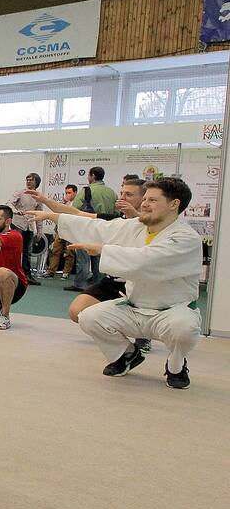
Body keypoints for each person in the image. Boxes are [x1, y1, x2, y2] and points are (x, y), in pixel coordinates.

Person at [35, 178, 201, 389]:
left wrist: (102, 250)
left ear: (174, 204)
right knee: (89, 316)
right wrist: (54, 216)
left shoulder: (186, 238)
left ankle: (176, 365)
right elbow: (100, 227)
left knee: (183, 329)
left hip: (171, 313)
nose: (144, 204)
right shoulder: (136, 227)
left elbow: (147, 260)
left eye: (152, 200)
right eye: (145, 199)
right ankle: (127, 355)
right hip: (134, 308)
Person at [25, 176, 151, 351]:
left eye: (128, 195)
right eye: (121, 193)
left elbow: (146, 232)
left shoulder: (154, 226)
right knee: (78, 312)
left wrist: (136, 216)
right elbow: (77, 214)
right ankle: (124, 337)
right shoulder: (116, 221)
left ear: (143, 200)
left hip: (140, 285)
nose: (122, 198)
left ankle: (142, 332)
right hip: (113, 281)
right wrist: (45, 202)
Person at [68, 166, 118, 291]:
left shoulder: (86, 191)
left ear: (93, 176)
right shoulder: (112, 192)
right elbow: (116, 211)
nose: (87, 177)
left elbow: (74, 209)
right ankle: (98, 282)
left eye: (89, 175)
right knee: (99, 256)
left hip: (87, 228)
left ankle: (79, 283)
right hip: (105, 228)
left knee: (83, 257)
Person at [6, 172, 46, 285]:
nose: (28, 182)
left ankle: (26, 275)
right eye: (27, 179)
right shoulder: (19, 192)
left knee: (27, 252)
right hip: (17, 224)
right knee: (15, 250)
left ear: (36, 182)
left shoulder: (38, 197)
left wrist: (39, 231)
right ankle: (12, 274)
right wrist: (15, 211)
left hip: (29, 226)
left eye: (31, 180)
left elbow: (39, 215)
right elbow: (9, 203)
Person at [40, 184, 78, 278]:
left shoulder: (77, 203)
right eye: (66, 193)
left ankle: (66, 272)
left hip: (71, 230)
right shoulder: (63, 203)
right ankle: (51, 271)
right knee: (55, 249)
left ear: (75, 193)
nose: (67, 195)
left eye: (69, 193)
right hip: (60, 229)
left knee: (69, 252)